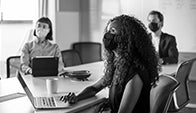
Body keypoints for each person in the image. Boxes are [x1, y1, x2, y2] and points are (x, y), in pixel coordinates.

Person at [60, 15, 160, 113]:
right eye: (107, 31)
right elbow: (94, 88)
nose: (107, 35)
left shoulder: (136, 72)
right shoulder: (118, 64)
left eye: (112, 31)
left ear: (126, 38)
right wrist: (77, 97)